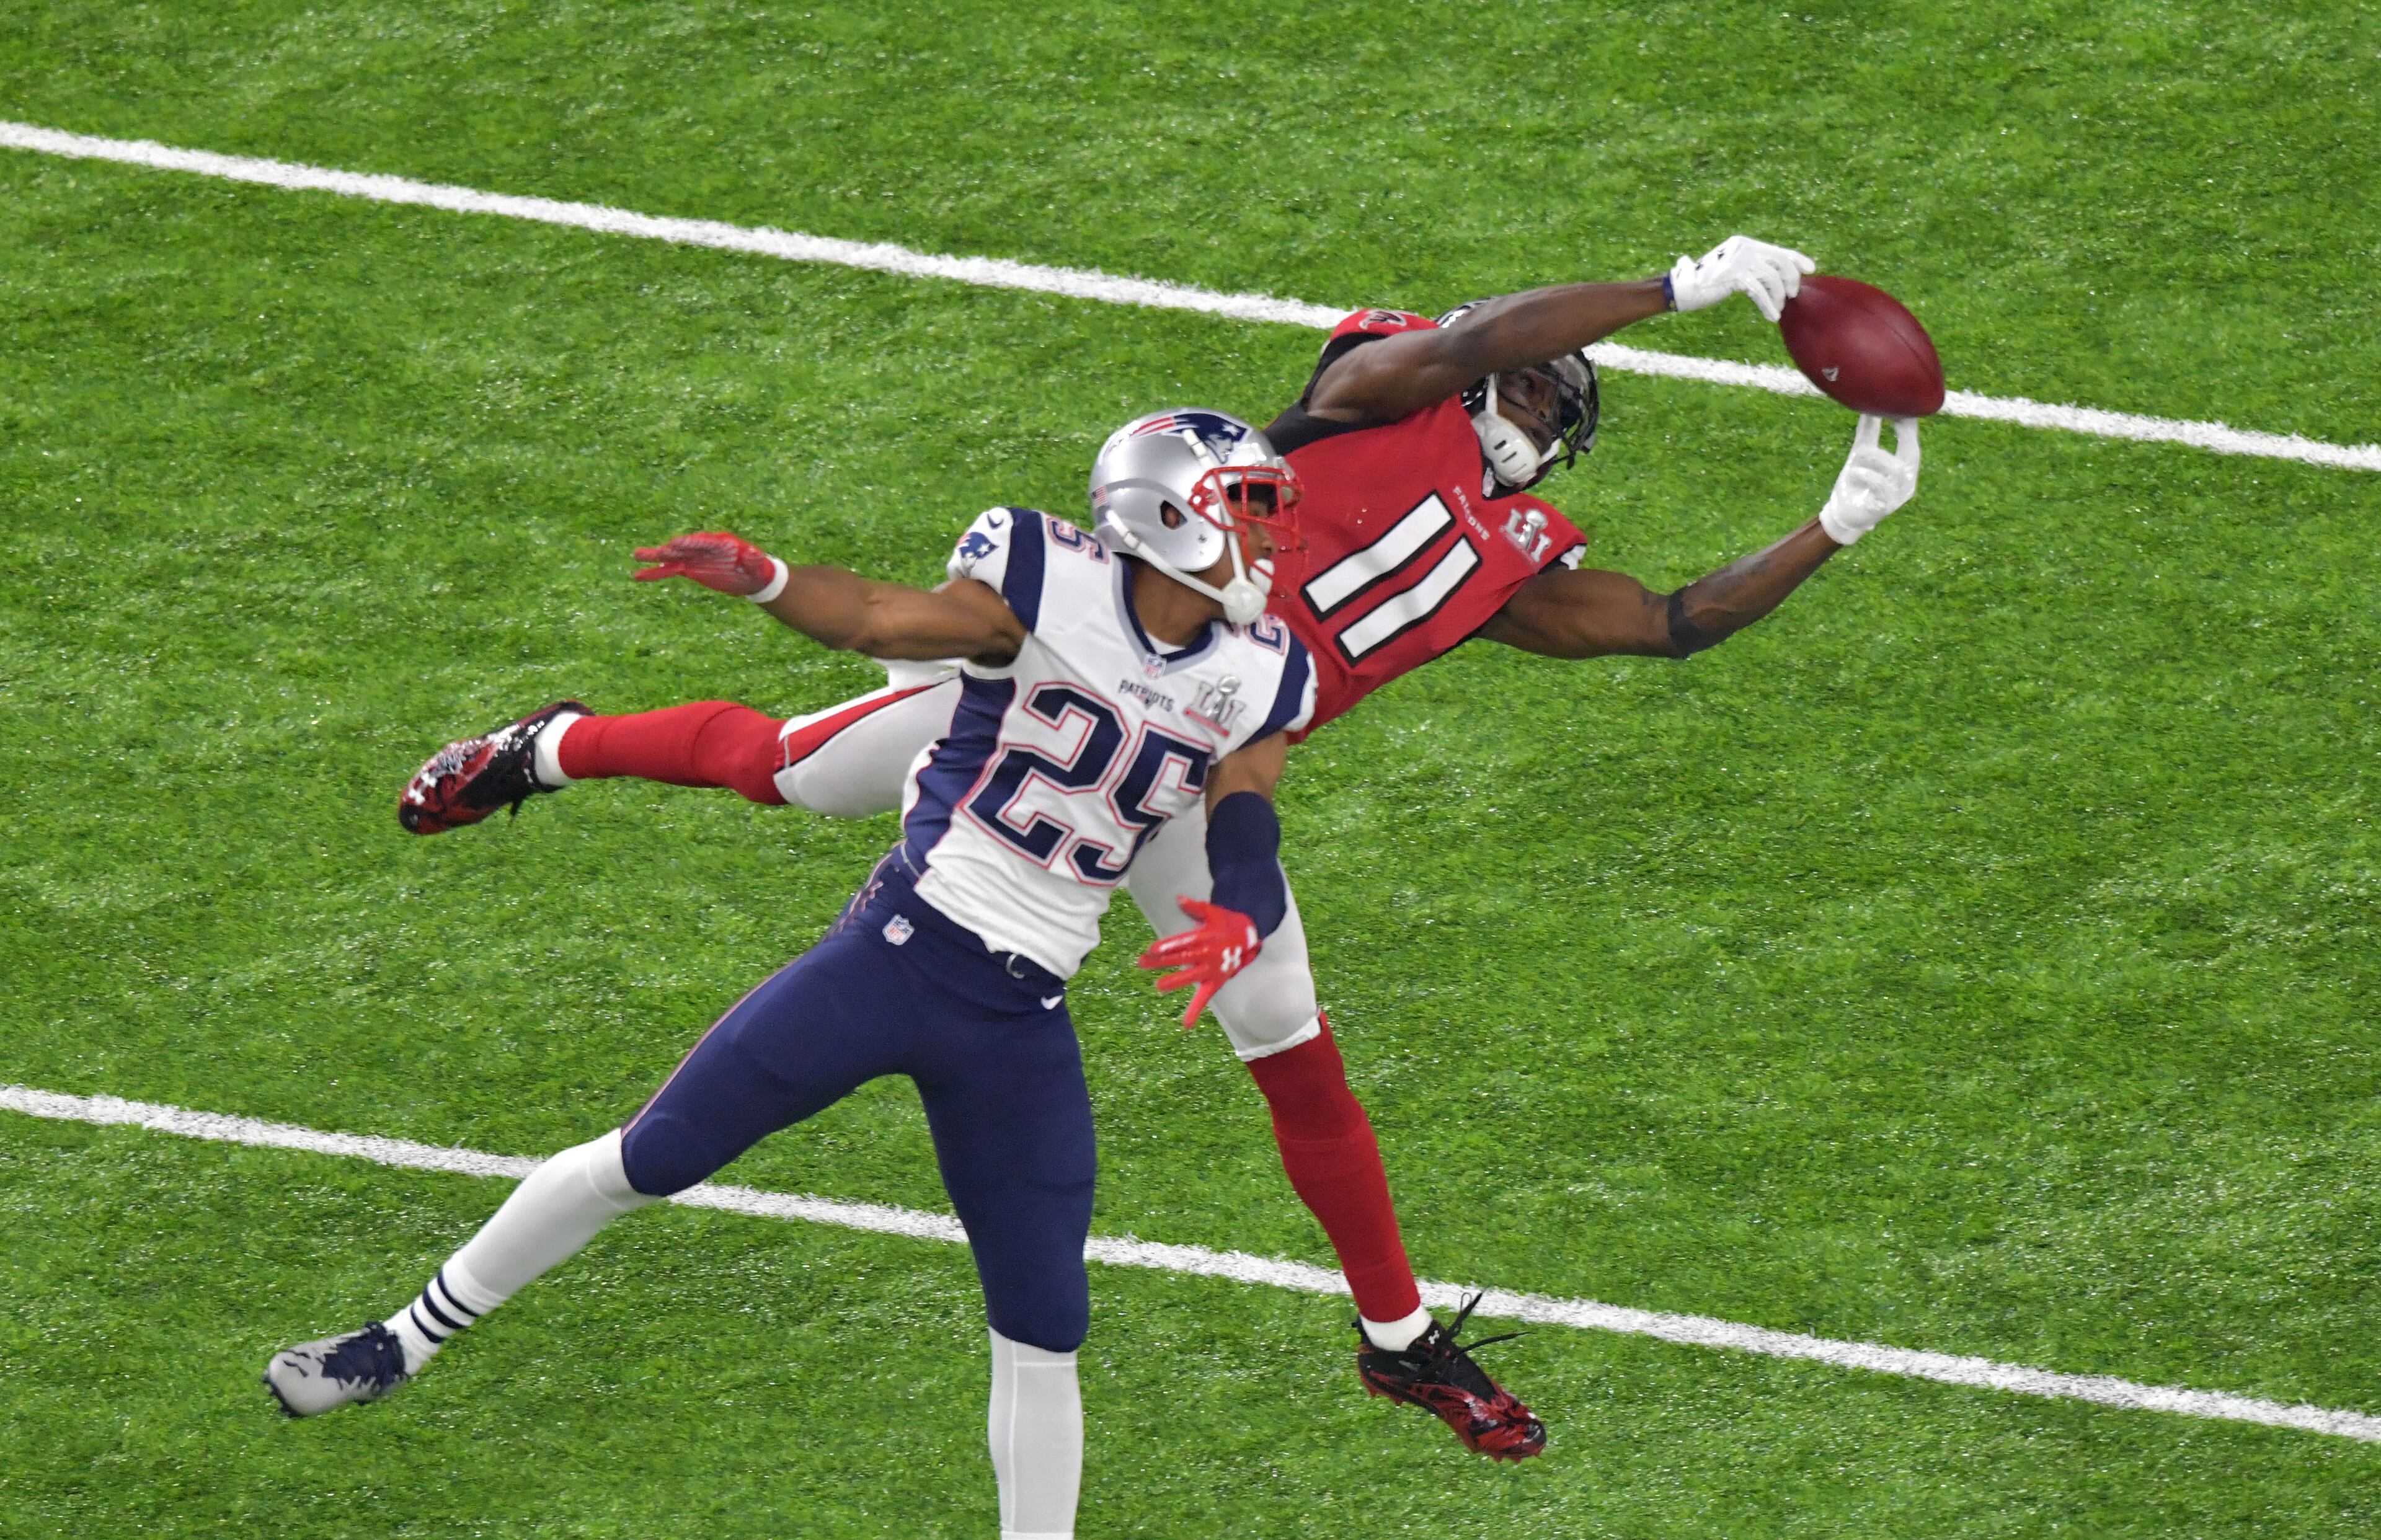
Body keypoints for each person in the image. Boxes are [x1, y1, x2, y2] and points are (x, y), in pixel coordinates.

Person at [393, 236, 1923, 1459]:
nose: (1541, 413)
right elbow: (1467, 346)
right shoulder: (1382, 390)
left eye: (1553, 401)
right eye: (1535, 388)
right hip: (1080, 693)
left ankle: (1396, 1343)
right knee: (793, 774)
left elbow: (1670, 625)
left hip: (1211, 774)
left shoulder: (1519, 561)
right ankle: (552, 745)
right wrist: (1679, 286)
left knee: (1289, 1038)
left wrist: (1838, 522)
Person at [268, 413, 1357, 1532]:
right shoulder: (1045, 585)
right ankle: (400, 1340)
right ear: (1166, 512)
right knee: (652, 1158)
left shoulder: (1257, 672)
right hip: (900, 953)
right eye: (1252, 509)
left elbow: (1248, 826)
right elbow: (883, 614)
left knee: (1045, 1322)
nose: (1273, 539)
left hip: (1022, 1015)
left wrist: (1242, 911)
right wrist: (769, 580)